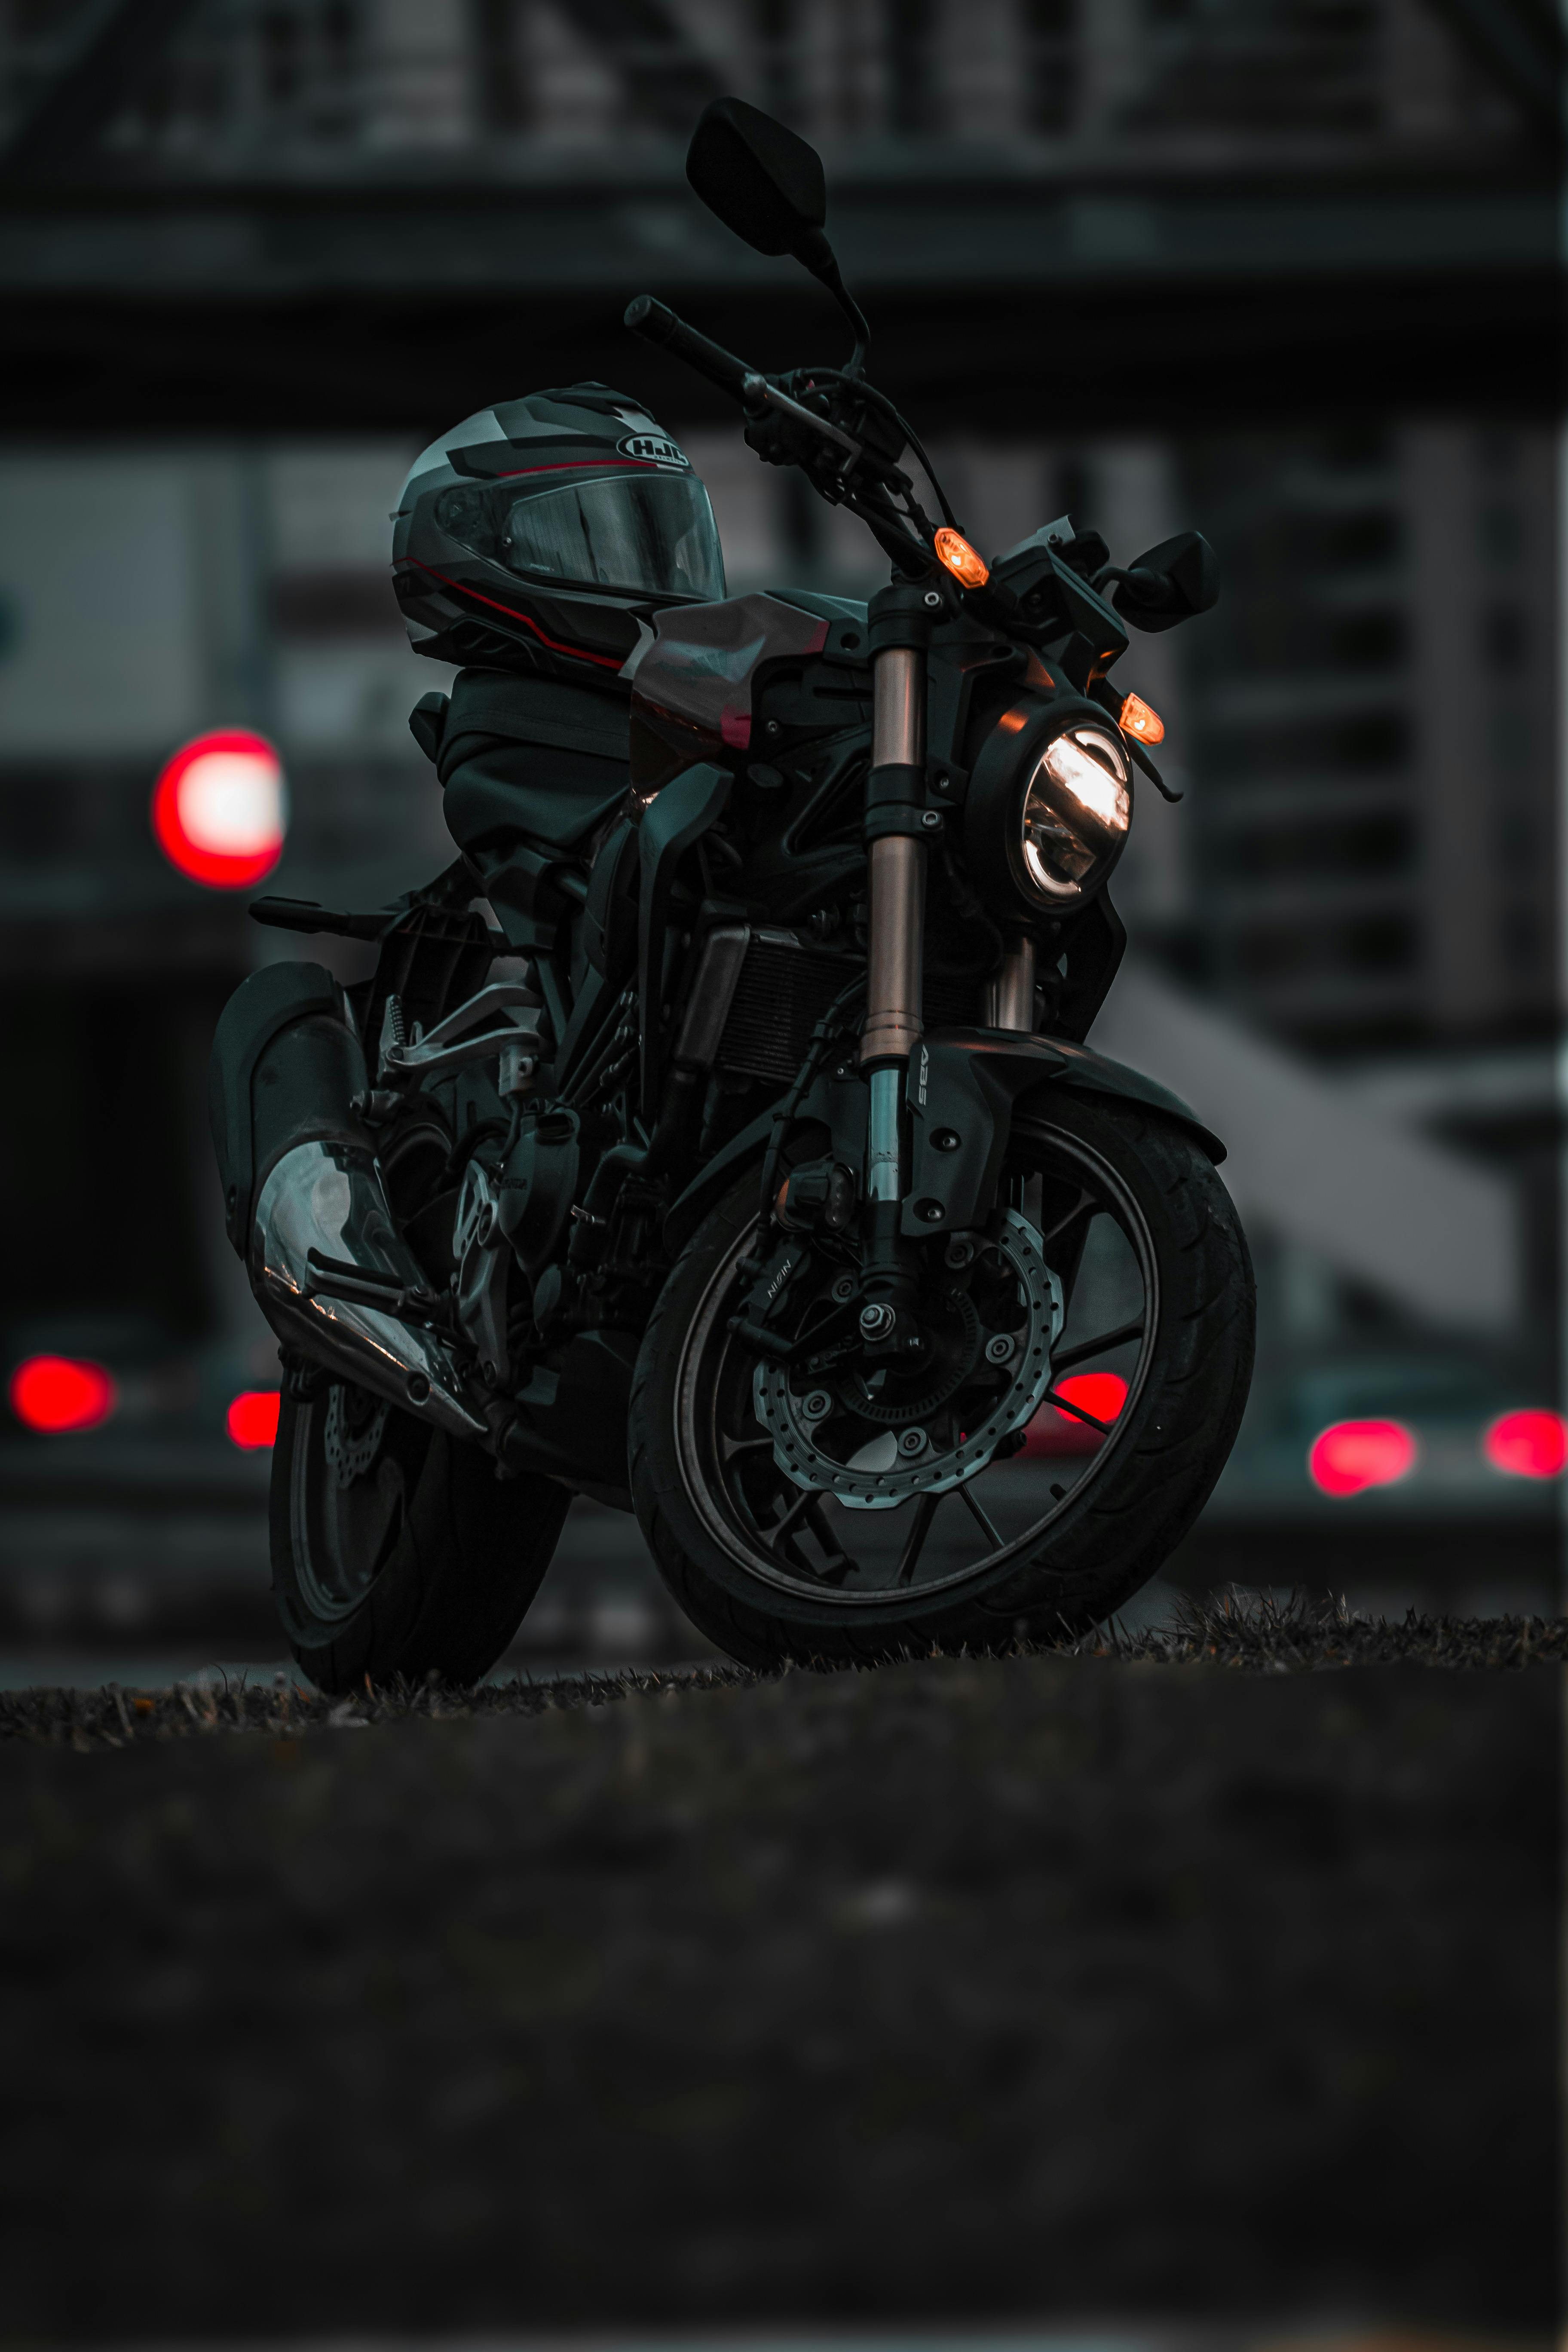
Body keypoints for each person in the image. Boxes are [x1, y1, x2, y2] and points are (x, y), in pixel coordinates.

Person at [392, 384, 726, 894]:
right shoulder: (520, 762)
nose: (654, 568)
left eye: (658, 544)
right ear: (470, 532)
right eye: (591, 535)